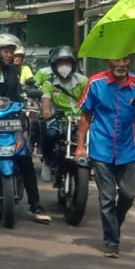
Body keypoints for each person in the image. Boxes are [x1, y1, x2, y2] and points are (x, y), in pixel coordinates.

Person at [77, 56, 135, 257]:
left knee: (129, 194)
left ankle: (114, 223)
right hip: (101, 149)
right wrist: (80, 145)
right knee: (107, 198)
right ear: (108, 61)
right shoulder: (95, 83)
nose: (121, 64)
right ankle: (111, 241)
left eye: (125, 59)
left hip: (128, 150)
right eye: (116, 60)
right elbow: (85, 116)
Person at [0, 33, 48, 223]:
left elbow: (17, 95)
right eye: (6, 51)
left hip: (11, 121)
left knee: (25, 159)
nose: (10, 55)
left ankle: (35, 205)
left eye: (11, 51)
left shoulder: (13, 71)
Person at [39, 46, 88, 180]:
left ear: (73, 64)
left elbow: (90, 98)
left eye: (67, 62)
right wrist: (46, 111)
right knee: (50, 134)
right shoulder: (49, 83)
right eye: (61, 63)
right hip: (59, 119)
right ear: (54, 65)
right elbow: (46, 99)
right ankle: (47, 161)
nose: (64, 66)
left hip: (81, 119)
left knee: (94, 137)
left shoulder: (83, 81)